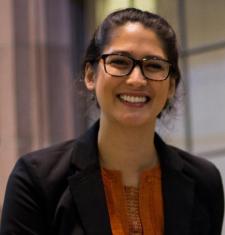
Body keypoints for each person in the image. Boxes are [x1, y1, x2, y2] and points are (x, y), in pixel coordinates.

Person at [0, 7, 224, 235]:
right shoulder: (36, 180)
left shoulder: (204, 181)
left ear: (171, 86)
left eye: (154, 66)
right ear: (90, 75)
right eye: (119, 62)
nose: (137, 79)